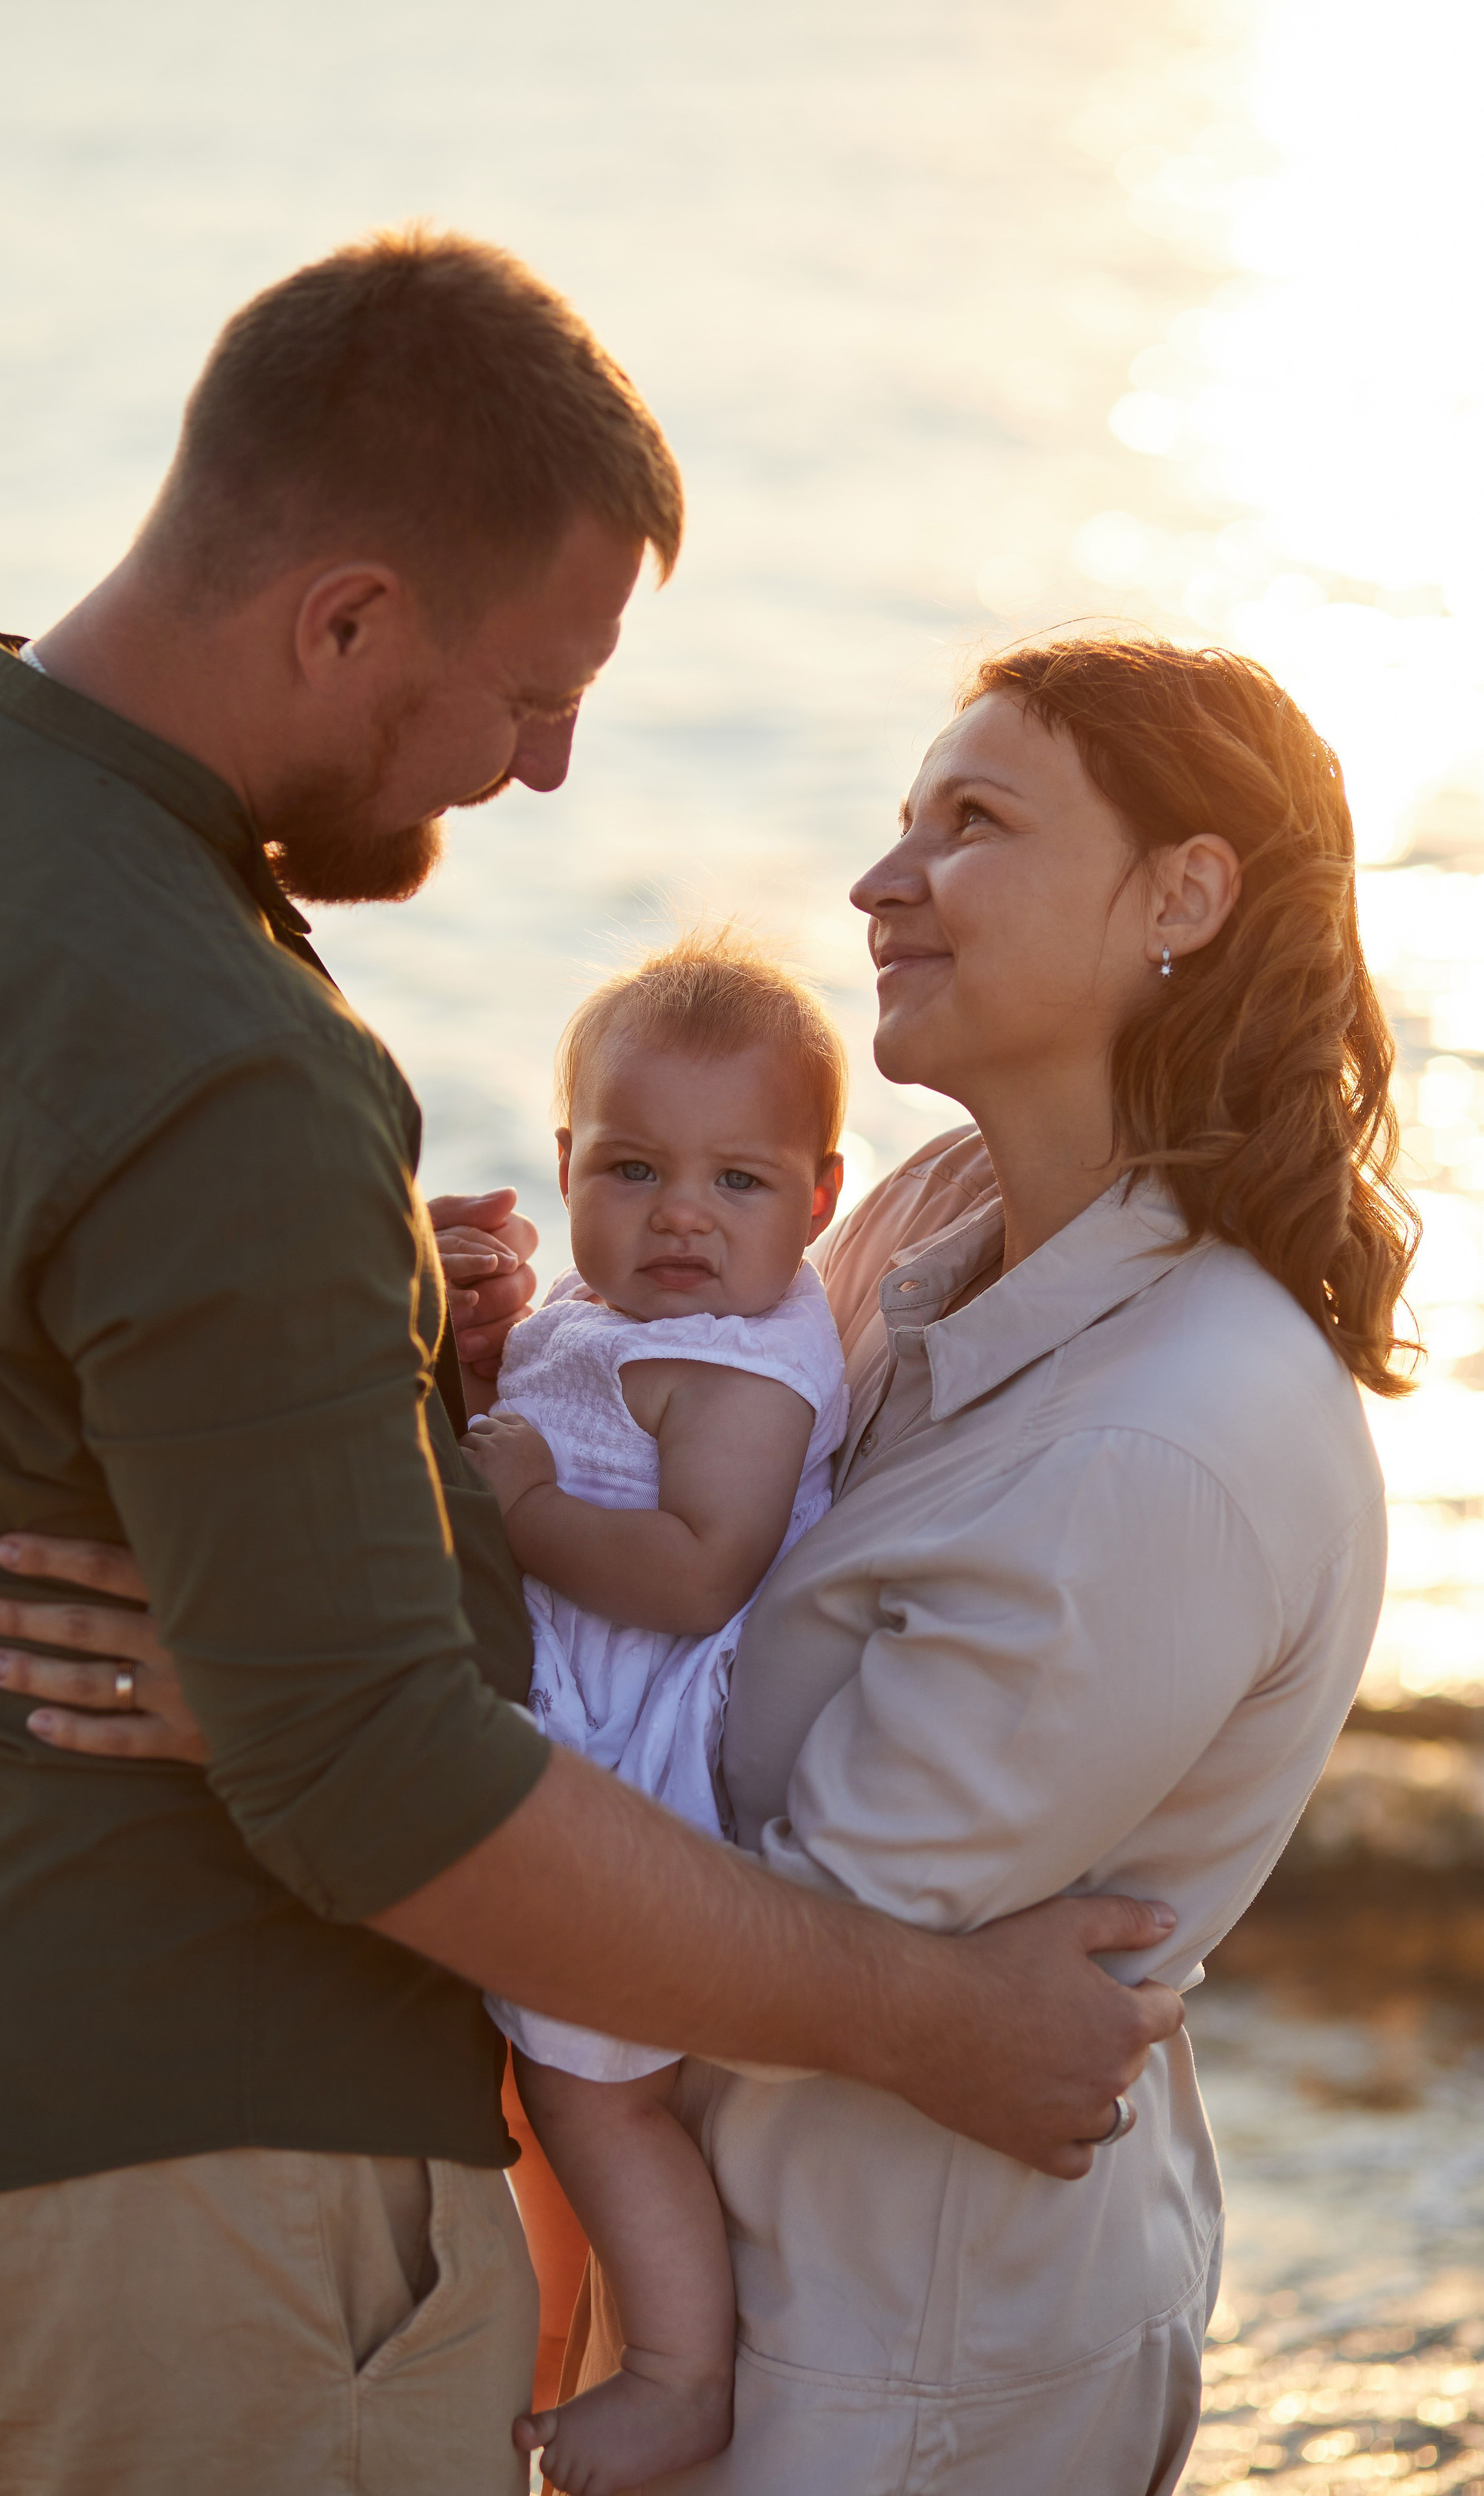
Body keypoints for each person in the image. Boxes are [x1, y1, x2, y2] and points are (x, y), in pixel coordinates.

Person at [0, 228, 1180, 2496]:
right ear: (347, 615)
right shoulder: (217, 1048)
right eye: (530, 691)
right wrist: (935, 2019)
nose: (544, 771)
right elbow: (381, 1786)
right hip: (217, 2151)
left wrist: (373, 1460)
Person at [0, 634, 1412, 2496]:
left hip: (895, 2363)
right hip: (724, 2278)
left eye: (971, 821)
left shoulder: (1171, 1442)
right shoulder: (940, 1215)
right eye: (905, 815)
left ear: (1184, 893)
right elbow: (672, 1494)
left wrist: (306, 1715)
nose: (879, 878)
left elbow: (788, 1932)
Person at [463, 934, 852, 2493]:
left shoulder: (744, 1373)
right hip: (575, 1700)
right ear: (562, 1167)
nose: (679, 1213)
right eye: (630, 1168)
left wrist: (522, 1511)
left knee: (592, 2080)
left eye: (737, 1183)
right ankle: (569, 2323)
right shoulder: (615, 1308)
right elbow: (558, 1399)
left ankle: (683, 2374)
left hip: (650, 1757)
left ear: (821, 1197)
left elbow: (697, 1575)